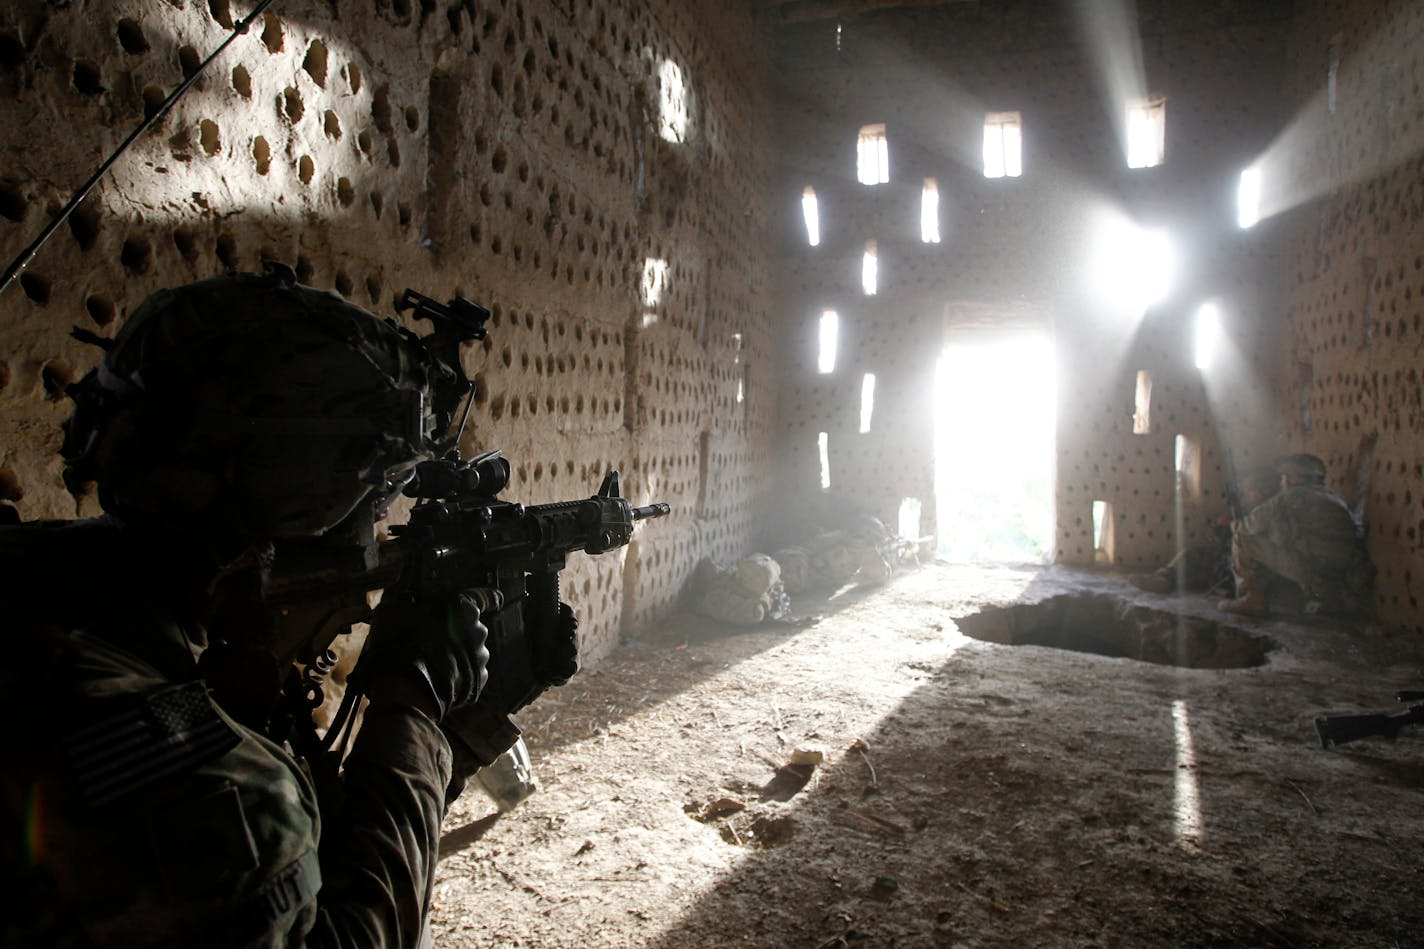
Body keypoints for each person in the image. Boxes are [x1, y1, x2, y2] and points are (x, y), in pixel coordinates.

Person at [0, 269, 493, 947]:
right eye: (379, 498)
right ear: (296, 502)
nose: (378, 530)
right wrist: (412, 711)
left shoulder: (45, 592)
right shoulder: (217, 797)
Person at [1218, 453, 1374, 617]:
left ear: (1296, 477)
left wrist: (1234, 525)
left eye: (1284, 477)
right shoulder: (1335, 499)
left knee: (1243, 538)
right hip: (1340, 581)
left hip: (1314, 574)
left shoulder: (1289, 497)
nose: (1281, 481)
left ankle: (1252, 599)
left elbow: (1249, 525)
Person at [1131, 465, 1280, 595]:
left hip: (1253, 571)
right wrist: (1221, 527)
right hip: (1231, 561)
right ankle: (1163, 577)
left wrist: (1233, 525)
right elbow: (1221, 540)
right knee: (1190, 555)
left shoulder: (1267, 513)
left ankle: (1168, 580)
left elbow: (1253, 539)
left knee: (1208, 572)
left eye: (1249, 491)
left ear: (1260, 493)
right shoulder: (1251, 511)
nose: (1245, 496)